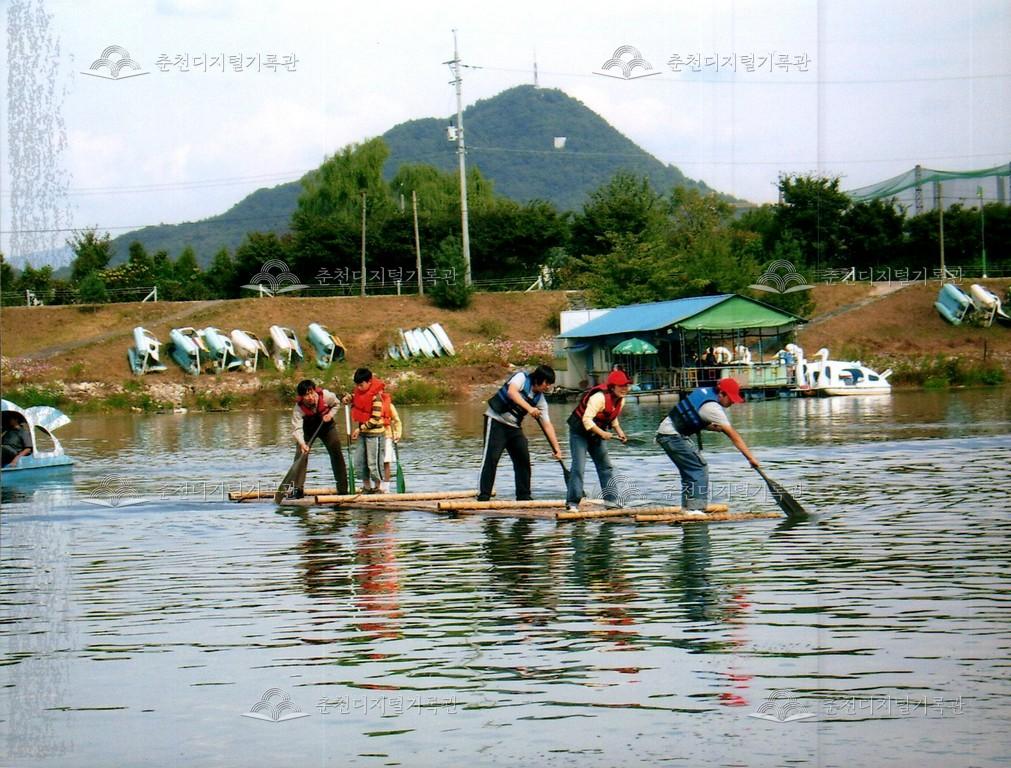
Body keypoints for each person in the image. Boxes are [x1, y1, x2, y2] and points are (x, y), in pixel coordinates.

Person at [655, 377, 760, 517]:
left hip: (666, 434)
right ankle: (695, 510)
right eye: (730, 398)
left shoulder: (705, 393)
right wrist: (751, 458)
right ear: (721, 394)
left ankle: (687, 508)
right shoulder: (713, 408)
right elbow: (734, 435)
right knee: (699, 467)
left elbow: (694, 417)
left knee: (690, 472)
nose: (732, 402)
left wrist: (712, 427)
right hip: (672, 436)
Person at [478, 364, 563, 502]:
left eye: (550, 384)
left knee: (523, 459)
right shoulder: (521, 378)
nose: (548, 387)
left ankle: (523, 496)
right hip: (495, 421)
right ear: (538, 380)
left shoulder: (540, 400)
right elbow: (512, 392)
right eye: (547, 383)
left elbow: (547, 425)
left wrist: (557, 448)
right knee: (491, 459)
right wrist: (530, 408)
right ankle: (483, 496)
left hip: (513, 427)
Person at [565, 369, 632, 512]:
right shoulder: (598, 398)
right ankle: (572, 502)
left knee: (606, 467)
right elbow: (586, 420)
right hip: (579, 433)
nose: (624, 389)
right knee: (579, 467)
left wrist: (620, 432)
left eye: (626, 386)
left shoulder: (621, 400)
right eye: (621, 386)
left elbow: (611, 416)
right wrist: (603, 433)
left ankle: (611, 502)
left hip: (596, 435)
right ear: (612, 387)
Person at [290, 379, 348, 497]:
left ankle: (343, 489)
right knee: (300, 455)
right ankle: (298, 489)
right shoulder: (298, 409)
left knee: (336, 450)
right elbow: (297, 429)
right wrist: (302, 444)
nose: (310, 397)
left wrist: (330, 415)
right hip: (308, 430)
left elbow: (337, 403)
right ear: (301, 397)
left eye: (312, 393)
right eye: (306, 395)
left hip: (326, 426)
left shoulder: (326, 396)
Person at [346, 367, 389, 493]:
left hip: (374, 435)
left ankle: (378, 487)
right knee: (359, 461)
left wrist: (360, 429)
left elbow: (376, 418)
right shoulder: (360, 394)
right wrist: (348, 398)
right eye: (357, 385)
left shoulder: (376, 397)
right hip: (363, 434)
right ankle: (367, 487)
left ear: (369, 382)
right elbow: (355, 397)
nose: (359, 388)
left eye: (361, 385)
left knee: (373, 462)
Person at [383, 393, 403, 487]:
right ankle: (376, 486)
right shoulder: (370, 404)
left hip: (386, 436)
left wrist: (397, 433)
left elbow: (396, 421)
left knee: (386, 462)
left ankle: (386, 487)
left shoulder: (389, 406)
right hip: (373, 436)